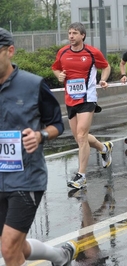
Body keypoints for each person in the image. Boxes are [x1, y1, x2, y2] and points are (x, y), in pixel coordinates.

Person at [0, 27, 77, 266]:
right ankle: (60, 255)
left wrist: (40, 135)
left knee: (8, 248)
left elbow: (56, 124)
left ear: (10, 51)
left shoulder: (32, 85)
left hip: (26, 177)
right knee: (15, 244)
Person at [52, 22, 113, 190]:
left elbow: (106, 66)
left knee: (81, 135)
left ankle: (81, 176)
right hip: (70, 99)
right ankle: (103, 148)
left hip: (88, 98)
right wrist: (59, 76)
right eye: (69, 33)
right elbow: (55, 68)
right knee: (79, 138)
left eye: (75, 33)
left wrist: (103, 79)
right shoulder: (63, 52)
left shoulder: (92, 52)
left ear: (82, 36)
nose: (71, 36)